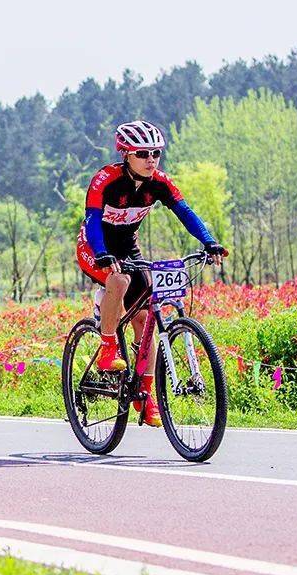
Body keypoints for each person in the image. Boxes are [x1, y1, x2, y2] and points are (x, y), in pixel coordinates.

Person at [76, 120, 227, 427]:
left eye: (156, 153)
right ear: (126, 155)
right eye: (142, 153)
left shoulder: (159, 182)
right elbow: (92, 221)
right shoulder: (105, 179)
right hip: (95, 246)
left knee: (146, 320)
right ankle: (107, 348)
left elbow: (185, 212)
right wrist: (103, 255)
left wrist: (209, 241)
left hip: (128, 247)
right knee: (118, 279)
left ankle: (145, 395)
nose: (151, 160)